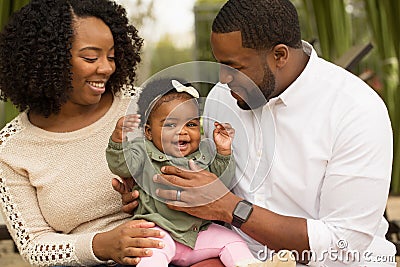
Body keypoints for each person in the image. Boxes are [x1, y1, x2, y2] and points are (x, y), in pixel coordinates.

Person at [115, 0, 396, 266]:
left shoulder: (357, 110)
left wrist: (231, 209)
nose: (222, 78)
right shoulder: (222, 98)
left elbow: (343, 247)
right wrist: (154, 190)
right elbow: (209, 178)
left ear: (280, 55)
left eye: (234, 67)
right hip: (233, 254)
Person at [0, 0, 168, 266]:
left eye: (111, 56)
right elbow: (33, 244)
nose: (106, 68)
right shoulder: (12, 148)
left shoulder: (145, 108)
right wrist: (102, 245)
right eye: (91, 58)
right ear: (46, 59)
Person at [106, 77, 268, 267]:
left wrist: (223, 151)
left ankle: (250, 265)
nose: (182, 131)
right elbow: (121, 166)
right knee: (151, 254)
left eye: (191, 124)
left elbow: (221, 181)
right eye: (170, 125)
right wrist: (119, 141)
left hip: (198, 232)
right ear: (148, 132)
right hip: (159, 229)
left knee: (232, 241)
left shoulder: (204, 153)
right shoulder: (142, 151)